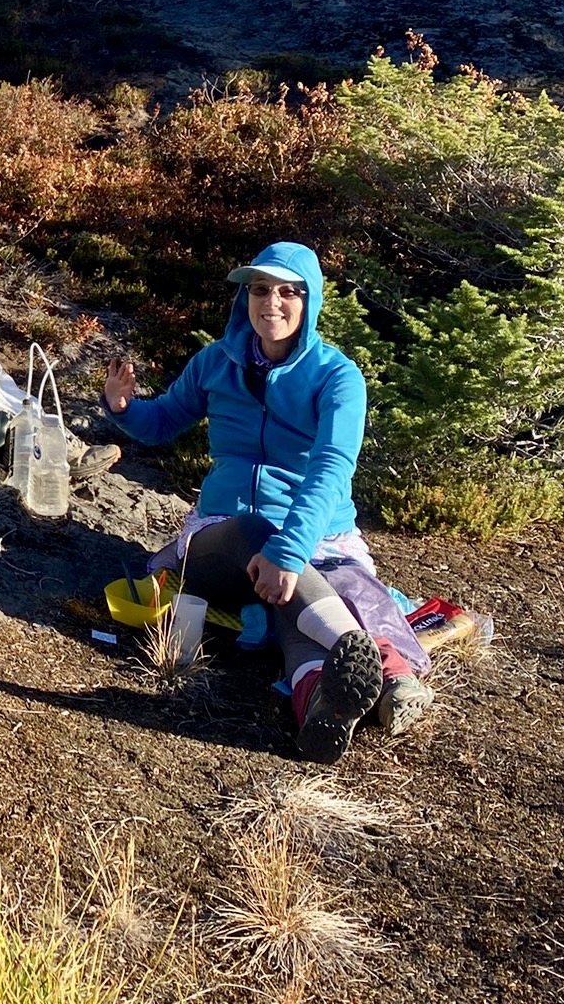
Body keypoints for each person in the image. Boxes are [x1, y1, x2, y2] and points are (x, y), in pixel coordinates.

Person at [102, 241, 432, 764]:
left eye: (287, 292)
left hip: (316, 538)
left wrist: (291, 551)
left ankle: (323, 700)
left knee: (323, 595)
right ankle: (375, 660)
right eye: (260, 289)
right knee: (256, 534)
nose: (271, 302)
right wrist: (123, 407)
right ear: (246, 298)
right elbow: (163, 421)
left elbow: (331, 467)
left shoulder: (337, 376)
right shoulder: (215, 361)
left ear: (310, 300)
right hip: (224, 539)